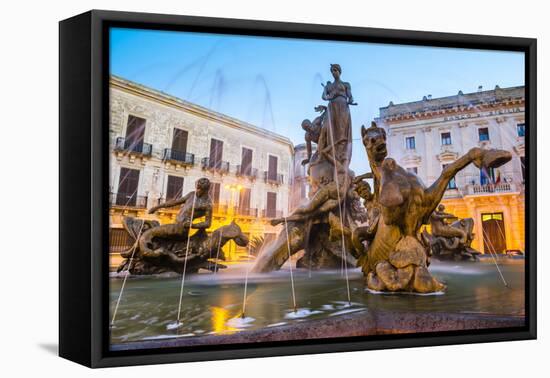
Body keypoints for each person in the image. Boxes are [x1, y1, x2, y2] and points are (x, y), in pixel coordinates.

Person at [138, 177, 213, 258]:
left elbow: (208, 223)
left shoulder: (207, 204)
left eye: (199, 189)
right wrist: (157, 207)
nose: (197, 191)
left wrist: (192, 225)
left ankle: (150, 253)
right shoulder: (192, 194)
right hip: (175, 224)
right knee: (149, 233)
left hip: (180, 229)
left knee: (149, 233)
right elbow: (175, 202)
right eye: (197, 188)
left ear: (206, 190)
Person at [321, 64, 354, 164]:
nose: (334, 72)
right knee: (332, 130)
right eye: (332, 71)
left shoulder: (346, 84)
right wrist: (329, 94)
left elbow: (350, 96)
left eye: (335, 70)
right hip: (332, 108)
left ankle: (342, 154)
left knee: (342, 130)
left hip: (343, 107)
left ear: (339, 71)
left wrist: (351, 100)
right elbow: (323, 97)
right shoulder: (329, 86)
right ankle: (332, 153)